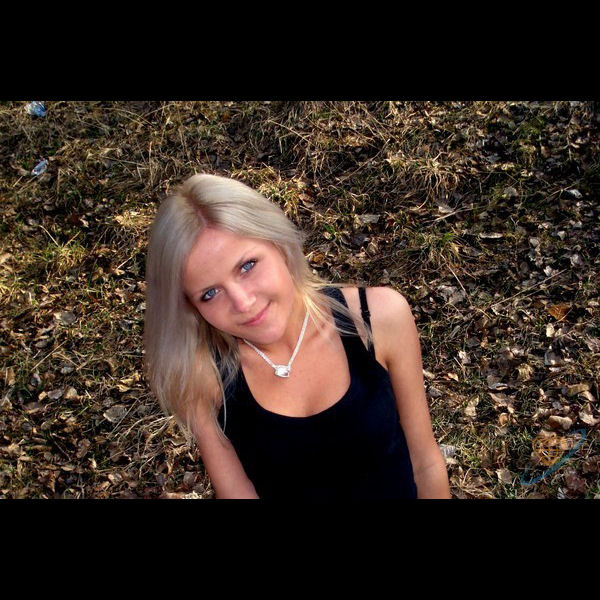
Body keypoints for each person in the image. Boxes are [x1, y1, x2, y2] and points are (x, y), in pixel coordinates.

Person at [144, 172, 451, 499]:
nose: (243, 303)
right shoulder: (203, 376)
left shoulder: (376, 318)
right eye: (210, 293)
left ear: (278, 243)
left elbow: (425, 463)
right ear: (190, 308)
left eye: (247, 266)